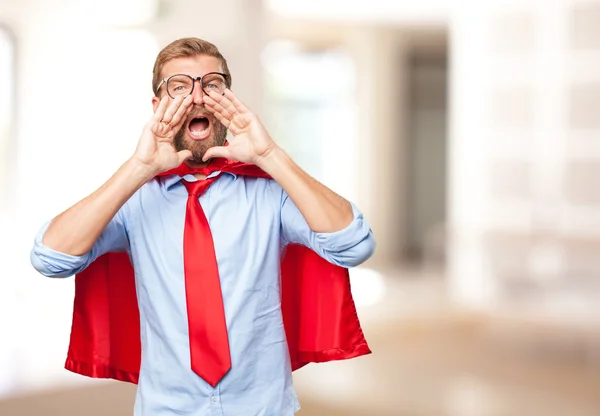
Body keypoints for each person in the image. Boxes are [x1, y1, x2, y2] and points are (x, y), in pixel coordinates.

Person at [30, 37, 375, 416]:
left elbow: (353, 245)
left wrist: (269, 155)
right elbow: (51, 259)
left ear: (228, 99)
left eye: (211, 84)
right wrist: (138, 168)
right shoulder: (134, 200)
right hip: (165, 408)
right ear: (157, 107)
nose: (197, 97)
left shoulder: (269, 194)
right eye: (179, 87)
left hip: (262, 408)